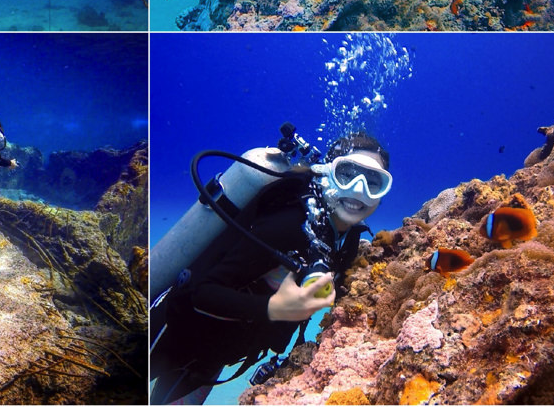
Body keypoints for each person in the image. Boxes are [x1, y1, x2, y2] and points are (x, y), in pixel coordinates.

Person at [149, 133, 391, 404]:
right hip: (169, 333)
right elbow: (201, 292)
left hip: (210, 358)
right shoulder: (288, 226)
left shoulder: (346, 239)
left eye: (373, 182)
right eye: (347, 174)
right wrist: (275, 309)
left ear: (382, 194)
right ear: (326, 174)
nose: (359, 191)